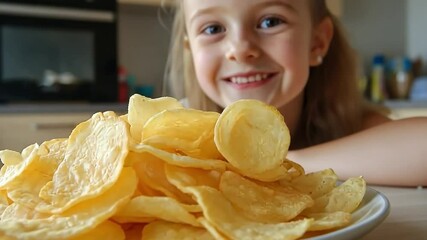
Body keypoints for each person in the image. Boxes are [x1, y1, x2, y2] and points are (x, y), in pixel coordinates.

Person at [163, 0, 427, 187]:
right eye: (212, 29)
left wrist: (281, 162)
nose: (240, 48)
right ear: (190, 49)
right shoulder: (170, 137)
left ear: (317, 43)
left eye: (270, 21)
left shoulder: (350, 126)